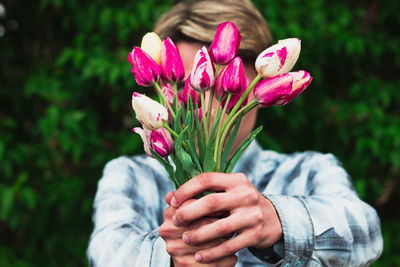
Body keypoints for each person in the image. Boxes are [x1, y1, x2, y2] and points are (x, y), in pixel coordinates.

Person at [87, 0, 383, 266]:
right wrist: (174, 257)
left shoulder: (307, 171)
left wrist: (277, 220)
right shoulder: (132, 175)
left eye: (218, 84)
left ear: (260, 77)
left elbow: (366, 234)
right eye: (181, 86)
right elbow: (106, 252)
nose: (202, 102)